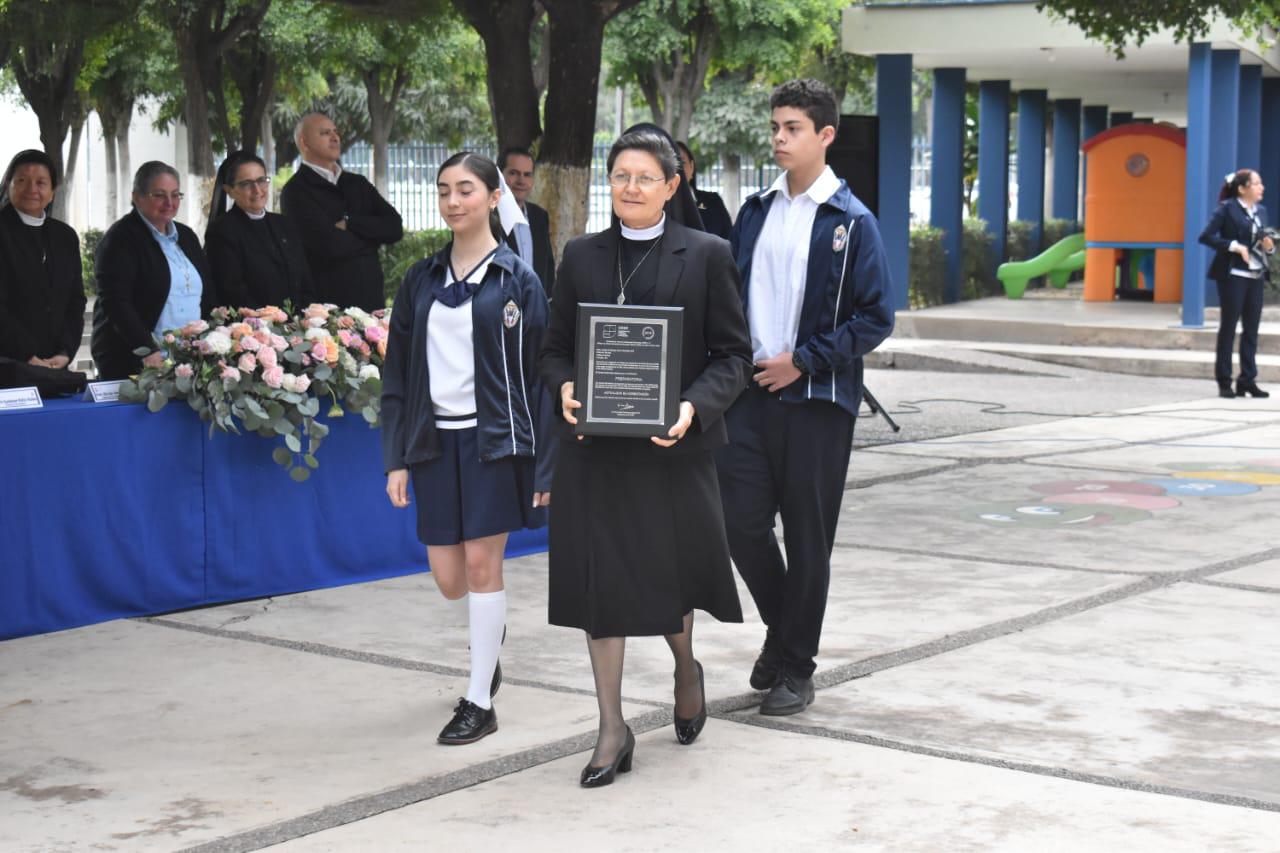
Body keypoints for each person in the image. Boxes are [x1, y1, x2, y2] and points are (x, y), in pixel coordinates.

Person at [539, 128, 753, 787]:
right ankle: (612, 727)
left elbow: (734, 357)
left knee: (668, 583)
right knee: (600, 589)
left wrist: (691, 407)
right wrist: (566, 387)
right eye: (620, 175)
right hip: (594, 454)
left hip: (671, 451)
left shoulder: (707, 253)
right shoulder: (580, 255)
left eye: (643, 176)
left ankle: (685, 667)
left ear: (670, 185)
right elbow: (552, 350)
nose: (630, 187)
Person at [716, 79, 895, 716]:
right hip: (748, 397)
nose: (779, 139)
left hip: (817, 401)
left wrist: (805, 362)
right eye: (775, 128)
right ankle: (782, 633)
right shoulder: (755, 212)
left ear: (825, 135)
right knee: (739, 525)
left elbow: (877, 318)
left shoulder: (853, 222)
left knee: (808, 536)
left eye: (792, 128)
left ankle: (796, 667)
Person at [381, 152, 554, 747]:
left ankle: (479, 699)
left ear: (491, 196)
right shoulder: (421, 279)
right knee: (450, 579)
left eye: (467, 190)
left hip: (494, 445)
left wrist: (543, 459)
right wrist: (396, 457)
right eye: (445, 191)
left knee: (484, 568)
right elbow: (397, 375)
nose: (455, 201)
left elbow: (540, 376)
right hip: (433, 444)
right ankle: (489, 643)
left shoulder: (516, 280)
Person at [91, 162, 215, 380]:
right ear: (137, 196)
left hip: (188, 362)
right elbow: (116, 302)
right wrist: (147, 349)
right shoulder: (120, 239)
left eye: (176, 195)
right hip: (139, 362)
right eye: (159, 195)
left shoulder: (186, 236)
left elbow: (206, 292)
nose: (170, 203)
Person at [280, 113, 403, 311]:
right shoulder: (295, 191)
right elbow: (329, 245)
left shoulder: (357, 183)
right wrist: (372, 240)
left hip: (371, 305)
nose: (335, 137)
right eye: (325, 133)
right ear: (304, 142)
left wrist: (351, 223)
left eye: (336, 132)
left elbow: (394, 227)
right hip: (328, 311)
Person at [0, 149, 86, 371]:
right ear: (8, 185)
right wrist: (27, 356)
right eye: (22, 181)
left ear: (52, 191)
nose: (32, 189)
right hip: (8, 364)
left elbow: (75, 300)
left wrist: (65, 351)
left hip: (55, 364)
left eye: (41, 182)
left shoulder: (65, 236)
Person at [205, 151, 315, 311]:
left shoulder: (284, 224)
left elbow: (305, 280)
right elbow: (233, 292)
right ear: (229, 190)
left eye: (261, 181)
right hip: (255, 327)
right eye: (246, 184)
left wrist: (307, 317)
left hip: (298, 326)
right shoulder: (223, 231)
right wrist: (270, 323)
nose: (257, 190)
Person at [1199, 169, 1272, 399]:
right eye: (1257, 183)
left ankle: (1247, 380)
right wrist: (1233, 246)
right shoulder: (1227, 209)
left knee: (1251, 330)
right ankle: (1224, 381)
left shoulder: (1261, 211)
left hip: (1255, 276)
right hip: (1233, 275)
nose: (1262, 188)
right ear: (1242, 188)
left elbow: (1262, 243)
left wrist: (1269, 246)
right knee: (1229, 328)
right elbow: (1206, 236)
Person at [499, 147, 556, 296]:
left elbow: (548, 268)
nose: (521, 181)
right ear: (500, 176)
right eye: (513, 173)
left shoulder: (540, 216)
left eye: (527, 175)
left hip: (535, 309)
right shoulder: (487, 219)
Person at [675, 140, 733, 241]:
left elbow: (730, 242)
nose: (677, 169)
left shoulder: (713, 202)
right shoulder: (655, 206)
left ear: (692, 167)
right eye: (670, 164)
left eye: (682, 163)